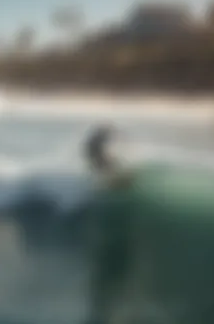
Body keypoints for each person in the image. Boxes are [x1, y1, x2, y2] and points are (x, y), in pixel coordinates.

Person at [83, 125, 138, 324]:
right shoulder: (103, 167)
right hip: (110, 243)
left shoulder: (106, 164)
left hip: (113, 242)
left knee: (108, 286)